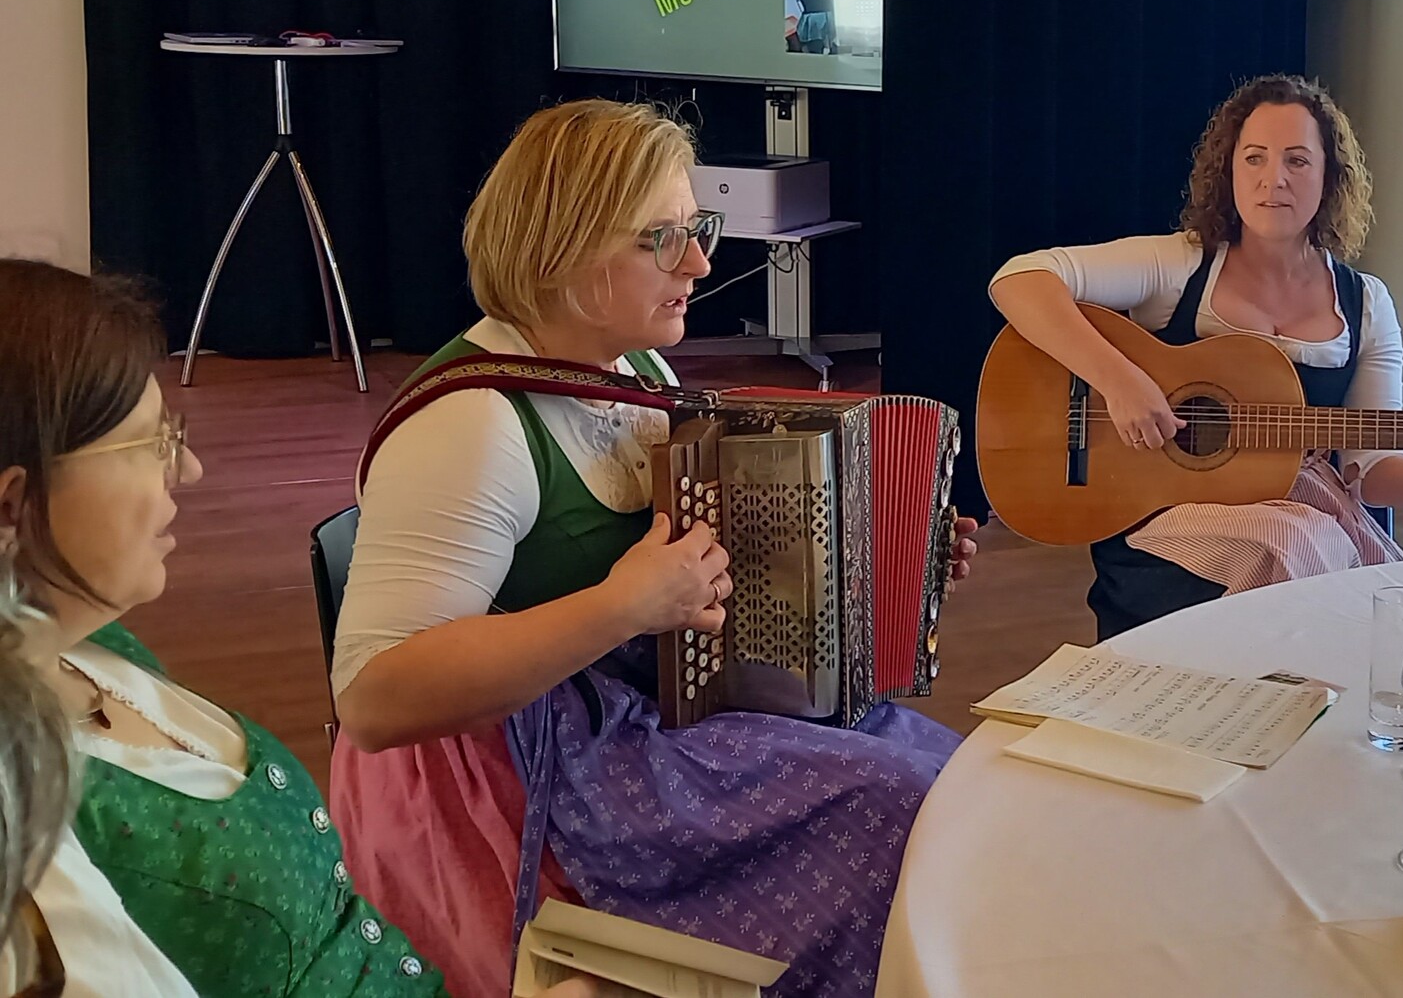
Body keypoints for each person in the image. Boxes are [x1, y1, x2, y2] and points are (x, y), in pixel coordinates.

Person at [330, 99, 977, 998]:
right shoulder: (470, 426)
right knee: (896, 810)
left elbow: (703, 562)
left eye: (696, 229)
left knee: (957, 781)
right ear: (562, 250)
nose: (701, 264)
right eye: (662, 239)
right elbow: (373, 699)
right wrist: (624, 605)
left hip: (644, 702)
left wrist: (883, 553)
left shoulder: (637, 368)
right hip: (527, 769)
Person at [0, 259, 449, 995]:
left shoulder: (89, 642)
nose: (189, 469)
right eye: (148, 445)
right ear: (11, 506)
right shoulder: (29, 832)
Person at [989, 74, 1403, 640]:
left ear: (1330, 176)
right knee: (1295, 539)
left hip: (1303, 513)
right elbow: (1019, 280)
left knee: (1306, 535)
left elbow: (1371, 467)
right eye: (1254, 158)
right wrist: (1120, 380)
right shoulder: (1180, 265)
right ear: (1228, 170)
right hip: (1170, 512)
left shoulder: (1365, 303)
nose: (1273, 179)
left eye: (1297, 161)